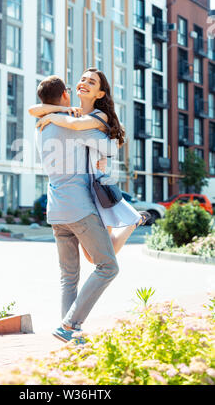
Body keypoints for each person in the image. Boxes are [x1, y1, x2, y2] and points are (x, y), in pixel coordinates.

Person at [29, 68, 150, 264]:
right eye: (83, 79)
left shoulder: (98, 115)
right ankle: (134, 221)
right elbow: (33, 110)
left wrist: (51, 117)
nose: (84, 82)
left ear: (100, 94)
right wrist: (57, 110)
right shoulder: (71, 112)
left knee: (98, 257)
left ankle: (133, 222)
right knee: (94, 256)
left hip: (98, 186)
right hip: (81, 191)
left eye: (91, 82)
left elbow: (86, 132)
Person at [34, 75, 120, 343]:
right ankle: (70, 323)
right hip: (79, 208)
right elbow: (111, 146)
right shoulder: (75, 125)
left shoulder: (42, 126)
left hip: (56, 211)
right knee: (108, 267)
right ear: (64, 97)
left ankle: (70, 334)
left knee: (69, 277)